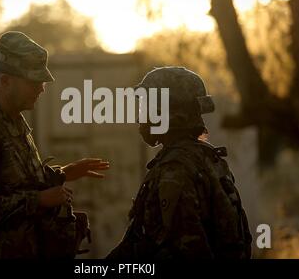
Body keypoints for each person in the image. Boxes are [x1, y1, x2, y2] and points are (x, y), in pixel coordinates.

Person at [0, 31, 109, 258]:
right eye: (34, 82)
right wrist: (39, 199)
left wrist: (63, 174)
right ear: (5, 81)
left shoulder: (12, 121)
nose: (41, 89)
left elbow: (17, 181)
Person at [107, 66, 252, 259]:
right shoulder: (205, 158)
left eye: (146, 108)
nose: (140, 117)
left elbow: (186, 249)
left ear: (166, 112)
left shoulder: (176, 169)